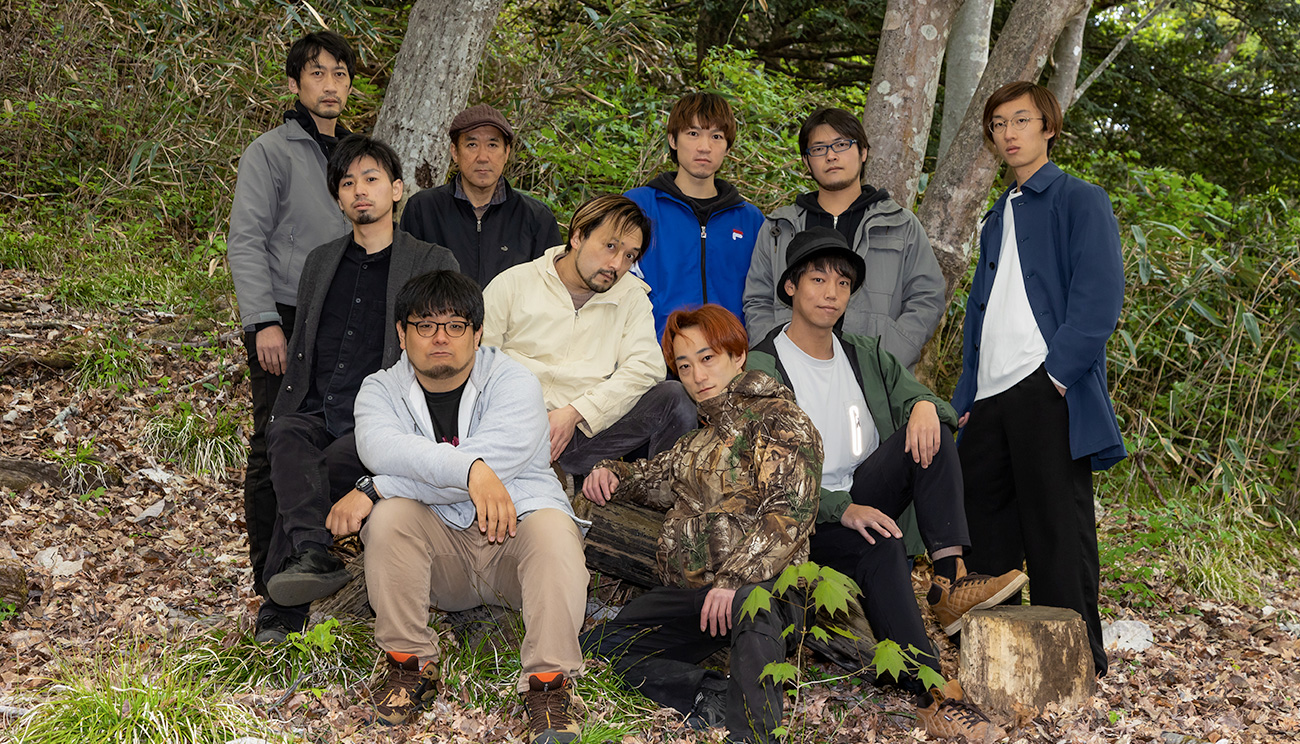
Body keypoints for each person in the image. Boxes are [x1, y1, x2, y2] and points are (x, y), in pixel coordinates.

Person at [745, 227, 1018, 740]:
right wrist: (841, 509)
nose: (831, 293)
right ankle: (932, 694)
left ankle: (949, 580)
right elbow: (765, 475)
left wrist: (922, 406)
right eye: (818, 279)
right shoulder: (763, 367)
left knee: (931, 430)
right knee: (882, 543)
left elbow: (933, 405)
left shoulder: (862, 352)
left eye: (843, 283)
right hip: (806, 519)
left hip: (867, 491)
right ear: (790, 288)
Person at [347, 271, 589, 741]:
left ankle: (549, 688)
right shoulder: (380, 390)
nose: (441, 338)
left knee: (554, 531)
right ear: (402, 333)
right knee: (391, 518)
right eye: (425, 325)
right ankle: (409, 666)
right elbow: (380, 448)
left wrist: (380, 486)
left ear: (477, 334)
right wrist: (472, 471)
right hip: (439, 564)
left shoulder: (514, 381)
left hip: (516, 554)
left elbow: (501, 457)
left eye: (455, 326)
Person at [580, 304, 822, 744]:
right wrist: (612, 471)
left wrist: (732, 581)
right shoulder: (696, 441)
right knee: (600, 649)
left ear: (738, 355)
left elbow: (789, 513)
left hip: (765, 590)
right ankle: (711, 694)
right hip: (696, 594)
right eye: (685, 366)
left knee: (753, 602)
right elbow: (651, 478)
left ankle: (753, 736)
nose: (697, 375)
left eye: (707, 358)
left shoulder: (780, 420)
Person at [953, 81, 1126, 678]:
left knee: (1057, 529)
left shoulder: (1081, 199)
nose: (1009, 133)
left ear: (1048, 127)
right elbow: (980, 313)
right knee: (986, 535)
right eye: (999, 124)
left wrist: (1057, 375)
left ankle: (1077, 662)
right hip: (989, 396)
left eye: (1021, 120)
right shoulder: (998, 213)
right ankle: (1001, 666)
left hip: (1045, 385)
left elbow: (1099, 298)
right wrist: (967, 395)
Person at [254, 136, 458, 642]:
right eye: (347, 183)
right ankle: (312, 553)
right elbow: (306, 342)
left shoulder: (431, 261)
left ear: (396, 189)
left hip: (380, 417)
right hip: (316, 406)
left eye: (371, 179)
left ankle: (282, 610)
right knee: (285, 437)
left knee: (314, 473)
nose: (359, 191)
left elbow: (443, 348)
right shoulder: (321, 261)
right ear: (339, 198)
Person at [226, 30, 356, 634]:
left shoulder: (355, 156)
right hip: (283, 316)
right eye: (317, 73)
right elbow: (246, 240)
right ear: (294, 83)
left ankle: (312, 558)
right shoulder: (271, 152)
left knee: (325, 440)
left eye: (340, 74)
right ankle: (271, 581)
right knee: (273, 442)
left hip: (341, 317)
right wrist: (263, 323)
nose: (330, 85)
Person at [481, 194, 696, 478]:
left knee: (674, 397)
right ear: (578, 236)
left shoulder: (632, 296)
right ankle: (545, 475)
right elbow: (479, 360)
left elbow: (645, 368)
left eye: (630, 256)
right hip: (512, 426)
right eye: (610, 246)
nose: (617, 264)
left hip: (584, 433)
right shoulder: (514, 284)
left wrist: (576, 412)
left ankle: (657, 493)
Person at [742, 107, 944, 372]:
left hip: (876, 372)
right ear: (806, 162)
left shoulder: (900, 224)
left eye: (841, 144)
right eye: (819, 149)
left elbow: (927, 298)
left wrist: (886, 359)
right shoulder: (779, 227)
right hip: (793, 373)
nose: (831, 155)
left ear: (863, 152)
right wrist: (778, 356)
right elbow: (757, 300)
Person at [624, 92, 765, 336]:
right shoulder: (639, 206)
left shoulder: (751, 220)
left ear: (728, 147)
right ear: (673, 140)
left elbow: (762, 299)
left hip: (730, 353)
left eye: (716, 136)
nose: (704, 147)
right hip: (652, 352)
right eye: (693, 133)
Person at [399, 104, 562, 288]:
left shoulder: (537, 218)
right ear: (455, 152)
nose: (483, 157)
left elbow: (551, 291)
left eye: (492, 145)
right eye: (472, 145)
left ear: (506, 152)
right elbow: (406, 285)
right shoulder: (423, 210)